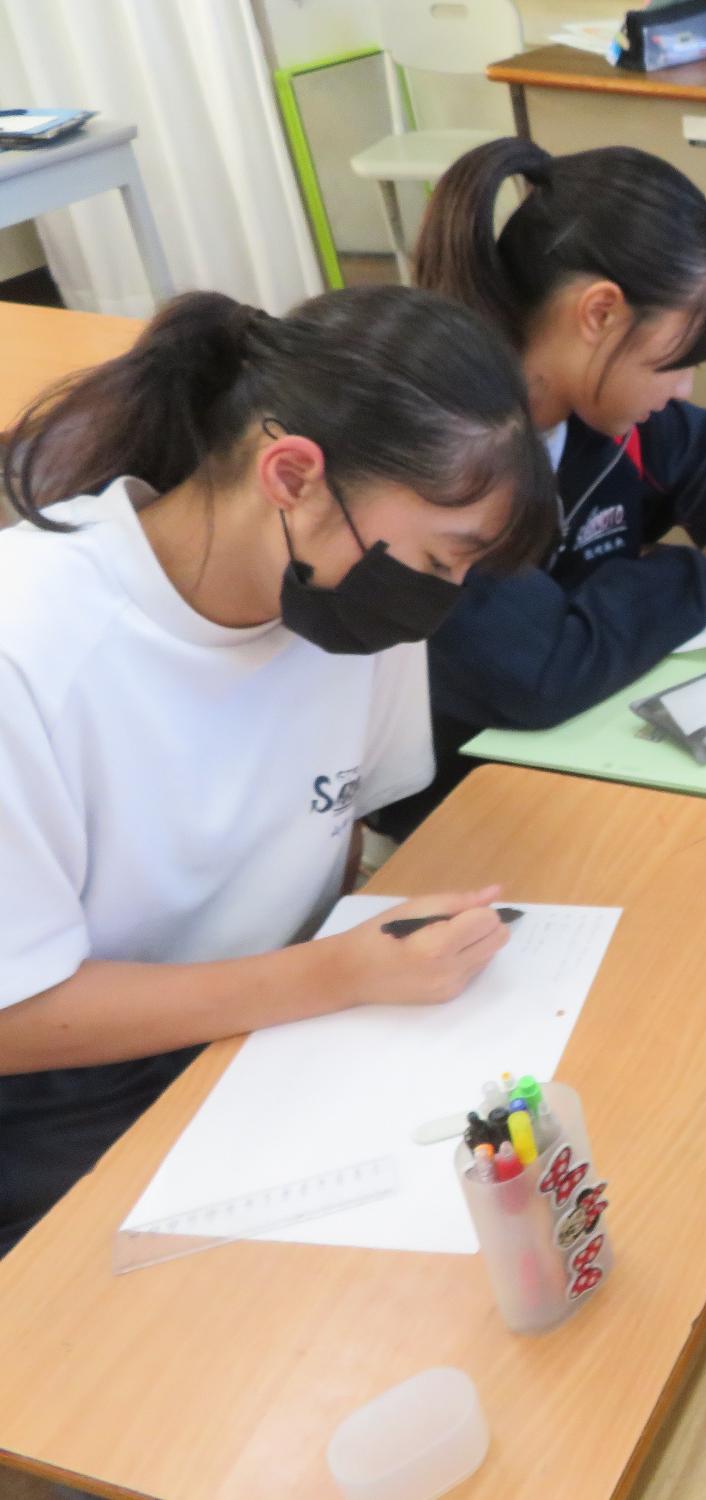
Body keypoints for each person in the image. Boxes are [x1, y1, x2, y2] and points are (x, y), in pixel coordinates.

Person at [0, 285, 553, 1256]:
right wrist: (329, 976)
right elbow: (17, 1015)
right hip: (71, 1099)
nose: (443, 597)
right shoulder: (31, 650)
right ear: (291, 475)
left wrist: (333, 980)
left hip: (273, 1040)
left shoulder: (350, 613)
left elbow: (336, 831)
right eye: (440, 559)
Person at [376, 138, 706, 837]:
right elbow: (540, 672)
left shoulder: (608, 416)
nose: (683, 389)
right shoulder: (444, 466)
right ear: (599, 314)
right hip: (464, 807)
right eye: (675, 362)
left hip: (586, 751)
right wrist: (695, 582)